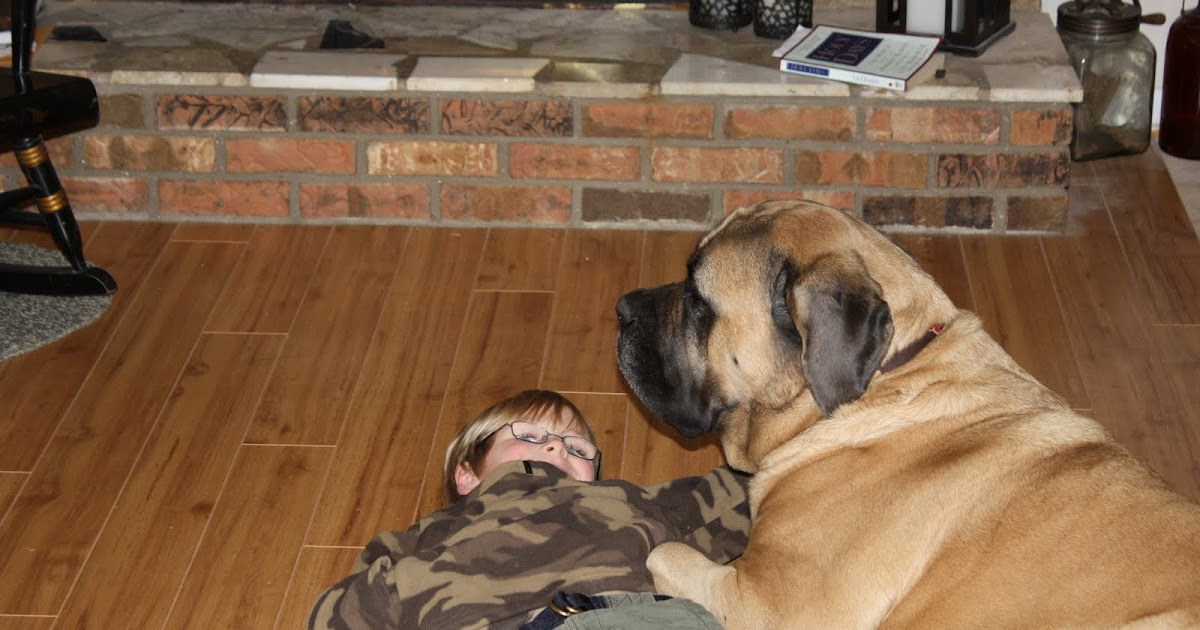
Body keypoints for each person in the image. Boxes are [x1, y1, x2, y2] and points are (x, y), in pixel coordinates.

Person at [309, 389, 752, 630]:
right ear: (467, 474)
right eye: (530, 435)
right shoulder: (424, 539)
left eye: (579, 447)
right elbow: (341, 612)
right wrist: (419, 587)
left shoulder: (624, 502)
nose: (557, 444)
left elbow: (750, 491)